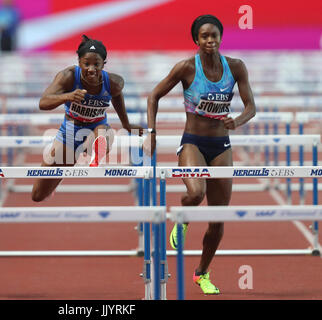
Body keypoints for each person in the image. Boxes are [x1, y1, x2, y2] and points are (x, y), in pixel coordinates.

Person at [143, 15, 256, 295]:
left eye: (214, 35)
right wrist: (152, 132)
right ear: (196, 40)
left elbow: (251, 106)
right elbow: (153, 96)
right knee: (195, 193)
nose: (210, 40)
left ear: (220, 37)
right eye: (204, 36)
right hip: (192, 142)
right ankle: (181, 220)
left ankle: (201, 273)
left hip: (221, 146)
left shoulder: (236, 67)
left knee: (218, 218)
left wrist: (238, 121)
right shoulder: (185, 68)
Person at [31, 35, 143, 202]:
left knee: (103, 134)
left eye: (96, 64)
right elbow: (43, 103)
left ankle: (95, 154)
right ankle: (57, 179)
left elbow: (117, 97)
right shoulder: (68, 76)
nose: (91, 69)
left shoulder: (114, 82)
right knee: (38, 195)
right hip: (69, 132)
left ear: (104, 64)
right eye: (86, 64)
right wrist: (68, 96)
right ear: (79, 62)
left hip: (97, 128)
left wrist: (126, 124)